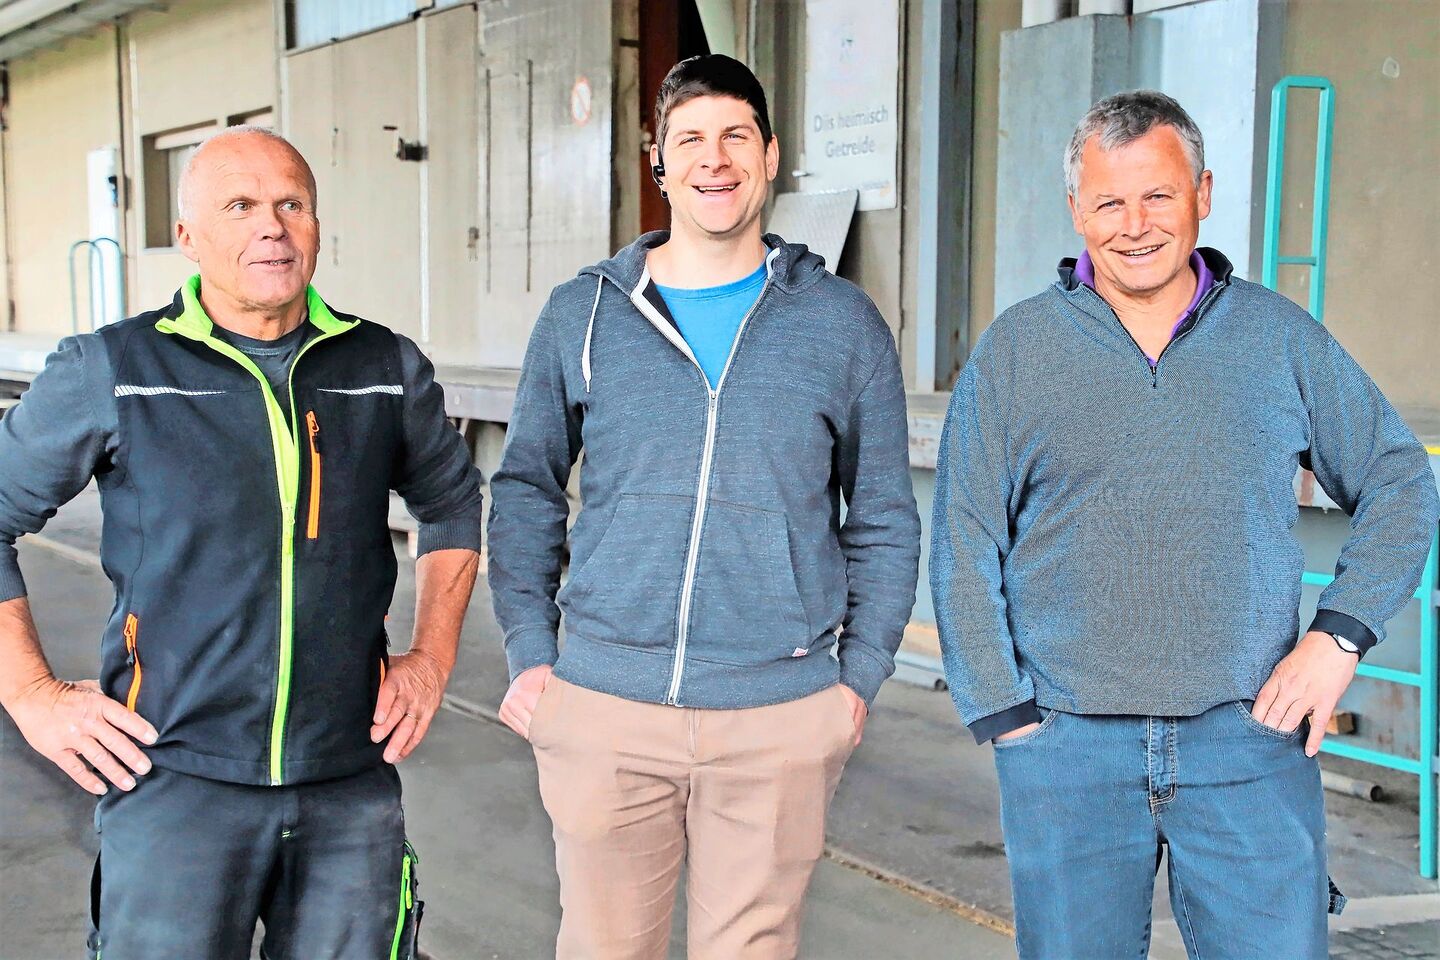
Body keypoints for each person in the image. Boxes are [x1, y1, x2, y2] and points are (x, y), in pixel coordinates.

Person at [931, 90, 1440, 959]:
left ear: (1203, 193)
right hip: (1068, 749)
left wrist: (1338, 639)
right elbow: (962, 540)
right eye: (1109, 202)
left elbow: (1400, 479)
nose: (1135, 226)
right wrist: (1009, 719)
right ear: (1076, 210)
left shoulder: (1278, 339)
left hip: (1249, 739)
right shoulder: (1014, 353)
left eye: (1158, 195)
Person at [0, 126, 484, 959]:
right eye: (240, 206)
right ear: (187, 236)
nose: (271, 226)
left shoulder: (382, 366)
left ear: (317, 226)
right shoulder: (114, 368)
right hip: (173, 784)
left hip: (348, 788)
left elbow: (452, 502)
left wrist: (433, 657)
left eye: (292, 203)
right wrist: (30, 694)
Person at [487, 54, 920, 959]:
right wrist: (531, 655)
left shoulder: (841, 324)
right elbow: (525, 487)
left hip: (778, 715)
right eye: (689, 140)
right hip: (604, 707)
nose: (713, 160)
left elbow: (882, 516)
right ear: (658, 162)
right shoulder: (584, 315)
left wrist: (857, 680)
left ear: (771, 155)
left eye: (735, 137)